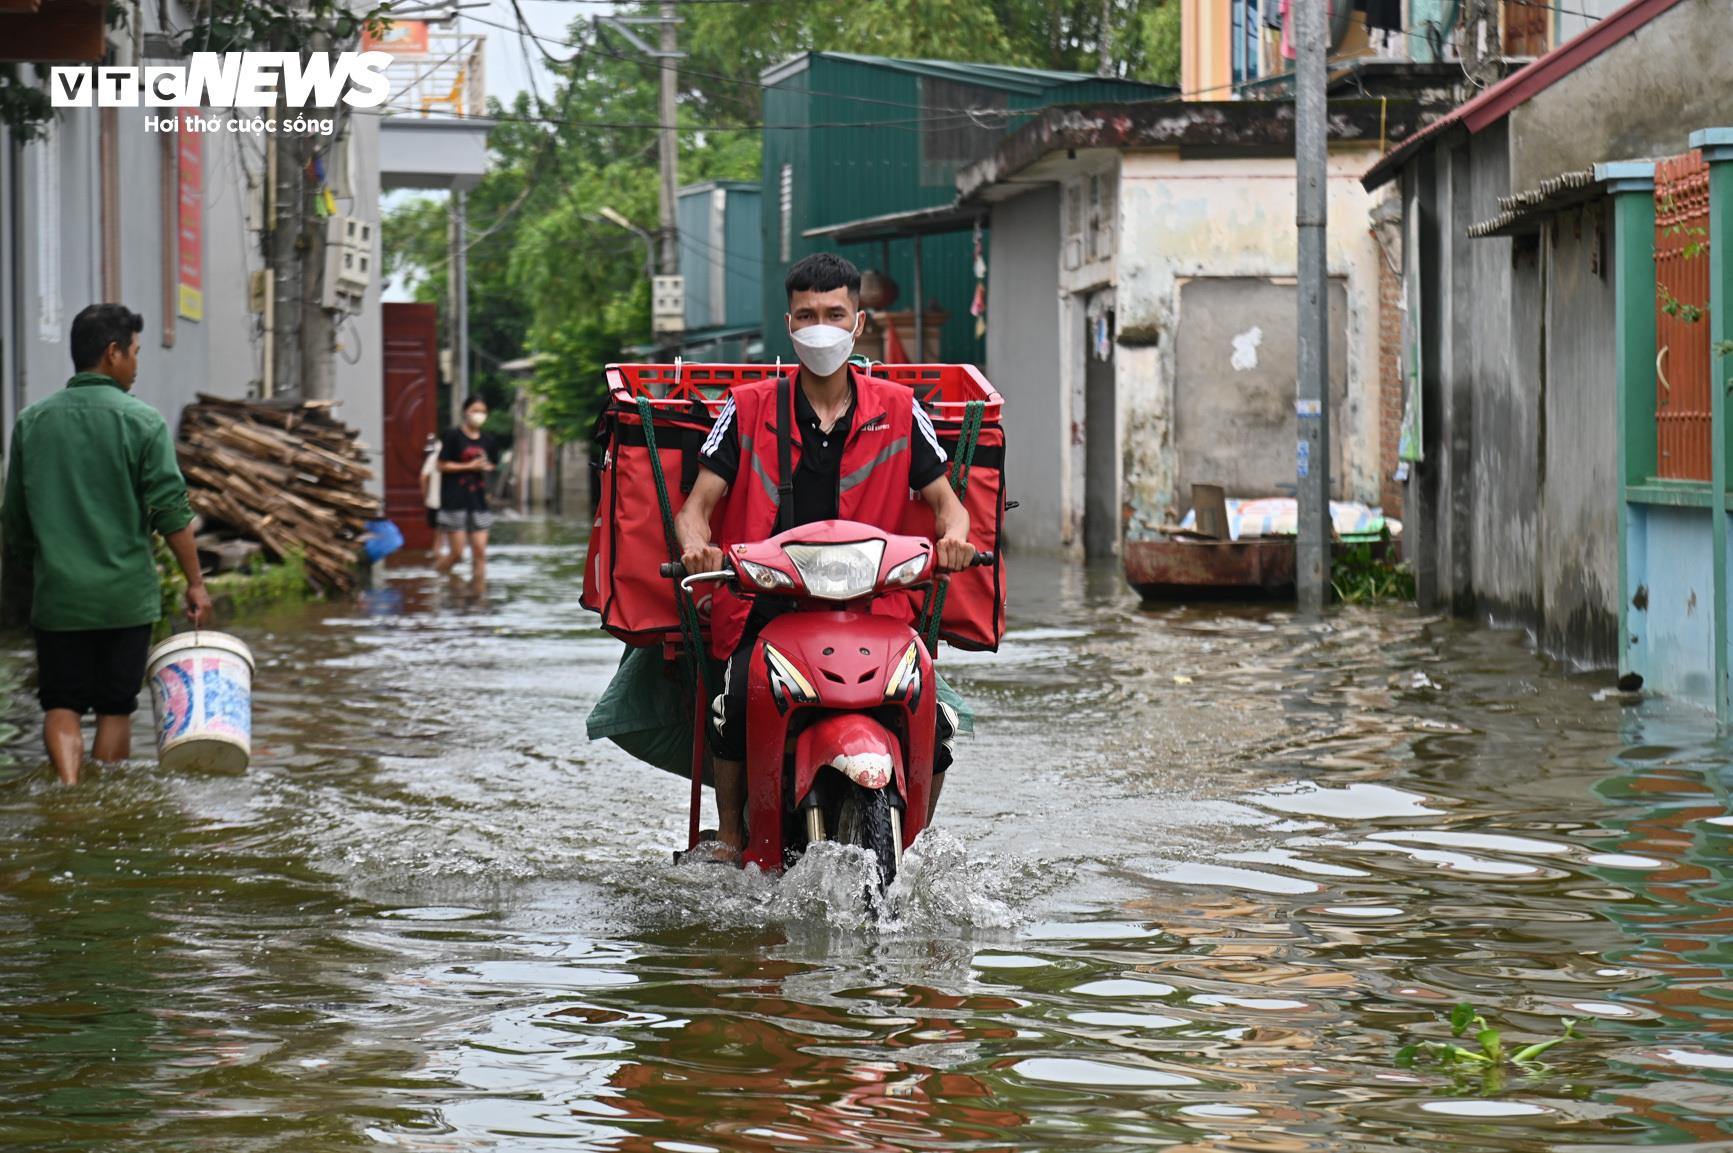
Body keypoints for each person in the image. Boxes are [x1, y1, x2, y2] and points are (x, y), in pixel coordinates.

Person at [674, 252, 974, 864]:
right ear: (789, 324)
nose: (821, 327)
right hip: (766, 605)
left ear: (858, 323)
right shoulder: (747, 406)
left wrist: (955, 540)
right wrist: (696, 548)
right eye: (807, 315)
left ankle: (915, 845)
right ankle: (731, 838)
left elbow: (950, 506)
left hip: (875, 608)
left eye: (835, 314)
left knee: (937, 719)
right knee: (735, 701)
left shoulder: (899, 407)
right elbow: (695, 508)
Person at [0, 303, 213, 785]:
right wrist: (195, 583)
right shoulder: (143, 422)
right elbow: (171, 512)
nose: (137, 363)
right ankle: (102, 802)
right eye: (134, 352)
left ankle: (69, 792)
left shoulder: (33, 422)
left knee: (61, 703)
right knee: (116, 708)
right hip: (124, 599)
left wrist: (42, 567)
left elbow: (14, 518)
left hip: (60, 597)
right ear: (112, 353)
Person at [434, 395, 498, 583]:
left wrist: (485, 467)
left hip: (479, 501)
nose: (479, 415)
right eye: (475, 410)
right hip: (455, 500)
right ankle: (439, 576)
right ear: (465, 411)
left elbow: (493, 464)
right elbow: (441, 465)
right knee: (457, 553)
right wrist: (469, 466)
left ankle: (479, 593)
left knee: (480, 552)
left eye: (483, 412)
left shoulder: (489, 440)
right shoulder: (453, 436)